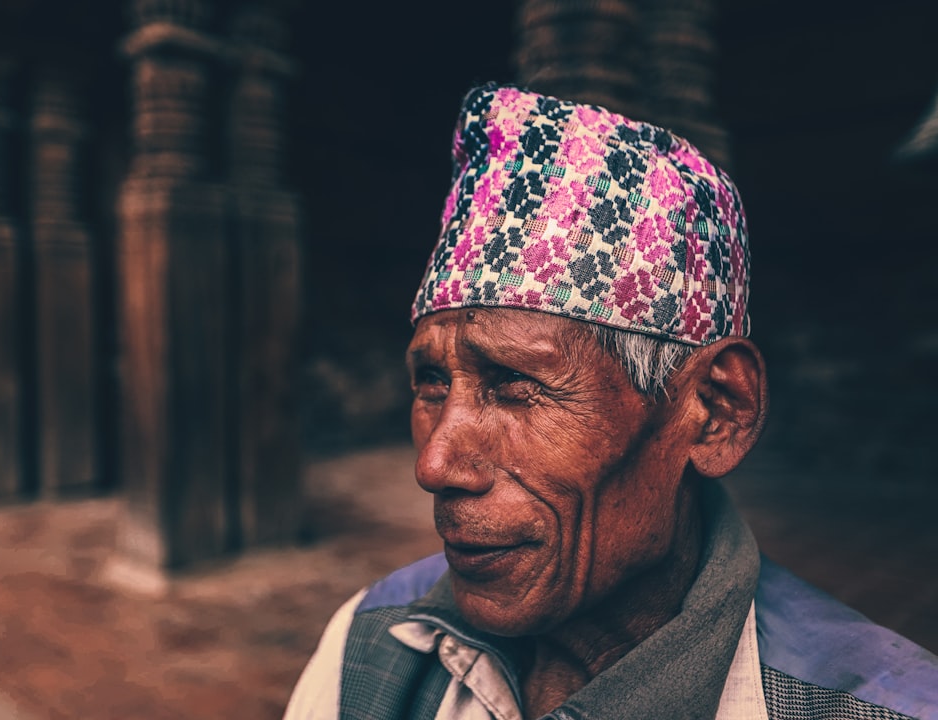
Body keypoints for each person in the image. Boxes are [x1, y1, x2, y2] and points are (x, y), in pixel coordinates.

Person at [284, 84, 938, 720]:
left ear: (713, 411)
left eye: (516, 385)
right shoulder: (368, 644)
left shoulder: (878, 707)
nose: (435, 465)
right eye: (432, 383)